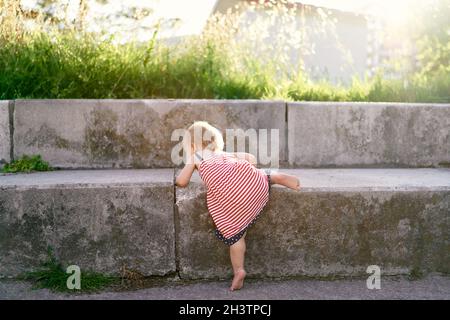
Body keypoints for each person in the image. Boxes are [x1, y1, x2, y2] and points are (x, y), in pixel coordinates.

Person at [176, 121, 300, 291]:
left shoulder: (196, 157)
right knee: (260, 175)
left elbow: (182, 182)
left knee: (235, 234)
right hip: (255, 186)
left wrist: (188, 170)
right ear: (214, 140)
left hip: (234, 201)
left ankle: (239, 271)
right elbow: (251, 159)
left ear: (191, 145)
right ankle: (276, 177)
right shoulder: (222, 153)